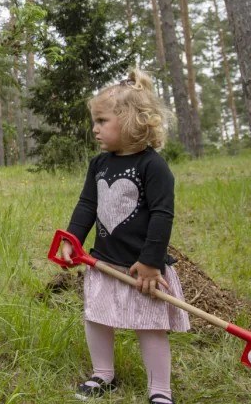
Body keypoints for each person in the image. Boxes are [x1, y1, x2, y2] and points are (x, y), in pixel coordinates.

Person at [55, 68, 189, 404]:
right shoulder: (99, 164)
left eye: (102, 121)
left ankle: (160, 390)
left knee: (150, 326)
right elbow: (87, 204)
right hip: (103, 263)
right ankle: (103, 374)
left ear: (130, 121)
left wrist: (150, 263)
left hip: (141, 268)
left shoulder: (153, 166)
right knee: (97, 318)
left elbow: (162, 214)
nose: (95, 129)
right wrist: (71, 239)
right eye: (95, 122)